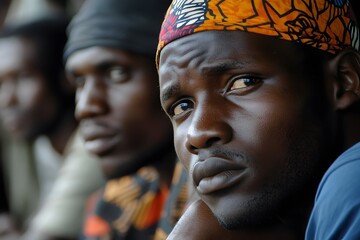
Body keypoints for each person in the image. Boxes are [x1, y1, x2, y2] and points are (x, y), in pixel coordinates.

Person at [156, 0, 360, 238]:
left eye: (243, 83)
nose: (198, 133)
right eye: (182, 106)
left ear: (344, 80)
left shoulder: (352, 183)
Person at [63, 0, 176, 239]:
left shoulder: (235, 207)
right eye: (80, 82)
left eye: (117, 73)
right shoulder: (112, 206)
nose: (86, 107)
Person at [0, 15, 104, 240]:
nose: (7, 99)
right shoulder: (32, 143)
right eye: (1, 84)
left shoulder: (95, 143)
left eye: (23, 77)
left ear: (66, 78)